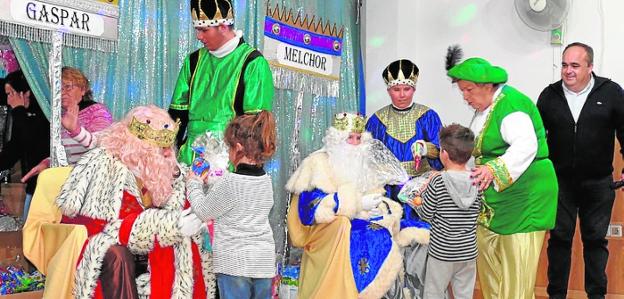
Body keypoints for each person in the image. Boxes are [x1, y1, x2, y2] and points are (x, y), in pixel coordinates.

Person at [54, 105, 215, 298]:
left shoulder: (167, 172)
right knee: (117, 256)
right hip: (106, 247)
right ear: (138, 145)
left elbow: (183, 210)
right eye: (160, 148)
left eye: (168, 147)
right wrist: (170, 226)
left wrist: (199, 186)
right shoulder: (107, 167)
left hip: (151, 248)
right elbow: (108, 227)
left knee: (192, 245)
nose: (167, 154)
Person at [446, 56, 558, 299]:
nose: (465, 96)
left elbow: (526, 146)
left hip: (525, 200)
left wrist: (492, 170)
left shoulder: (511, 106)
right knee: (492, 270)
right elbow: (477, 152)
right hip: (497, 203)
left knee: (516, 274)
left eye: (468, 90)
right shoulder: (484, 109)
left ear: (487, 86)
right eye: (462, 90)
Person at [286, 112, 428, 299]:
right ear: (336, 139)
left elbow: (377, 193)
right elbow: (309, 211)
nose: (355, 143)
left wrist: (380, 206)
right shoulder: (317, 163)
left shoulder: (365, 163)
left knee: (407, 232)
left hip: (362, 221)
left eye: (358, 138)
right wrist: (354, 204)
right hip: (328, 231)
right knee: (371, 236)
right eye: (350, 138)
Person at [537, 42, 624, 299]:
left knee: (596, 242)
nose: (568, 71)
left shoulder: (611, 92)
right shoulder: (549, 95)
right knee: (559, 241)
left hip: (598, 183)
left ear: (590, 67)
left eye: (575, 65)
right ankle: (556, 295)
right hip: (560, 183)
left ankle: (597, 295)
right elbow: (536, 137)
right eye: (564, 65)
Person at [184, 111, 277, 299]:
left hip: (235, 265)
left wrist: (193, 182)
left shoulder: (231, 182)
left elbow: (203, 210)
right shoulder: (266, 181)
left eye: (229, 148)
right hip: (264, 264)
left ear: (238, 147)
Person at [169, 0, 274, 165]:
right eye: (197, 30)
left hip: (229, 162)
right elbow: (177, 113)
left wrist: (244, 170)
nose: (198, 36)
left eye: (204, 30)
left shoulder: (253, 63)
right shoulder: (193, 61)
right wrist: (169, 155)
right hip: (189, 159)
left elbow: (255, 127)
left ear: (223, 26)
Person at [414, 124, 481, 299]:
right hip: (468, 251)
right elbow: (478, 210)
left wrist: (417, 200)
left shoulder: (438, 182)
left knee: (434, 293)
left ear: (443, 153)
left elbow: (426, 213)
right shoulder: (477, 179)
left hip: (442, 252)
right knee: (464, 294)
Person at [22, 66, 113, 181]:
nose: (62, 92)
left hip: (91, 181)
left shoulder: (97, 111)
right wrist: (46, 163)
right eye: (58, 88)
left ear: (83, 89)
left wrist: (75, 130)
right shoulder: (59, 116)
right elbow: (66, 154)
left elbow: (102, 146)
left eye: (68, 87)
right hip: (68, 180)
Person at [366, 59, 443, 178]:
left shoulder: (427, 116)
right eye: (396, 90)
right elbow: (368, 156)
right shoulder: (377, 120)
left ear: (414, 90)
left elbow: (442, 151)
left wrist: (425, 149)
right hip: (387, 185)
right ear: (388, 91)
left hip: (421, 184)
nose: (402, 95)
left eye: (407, 89)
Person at [0, 70, 50, 220]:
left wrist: (19, 111)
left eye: (11, 94)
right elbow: (16, 146)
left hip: (47, 186)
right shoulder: (21, 114)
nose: (9, 101)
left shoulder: (45, 113)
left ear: (26, 93)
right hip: (32, 186)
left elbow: (31, 139)